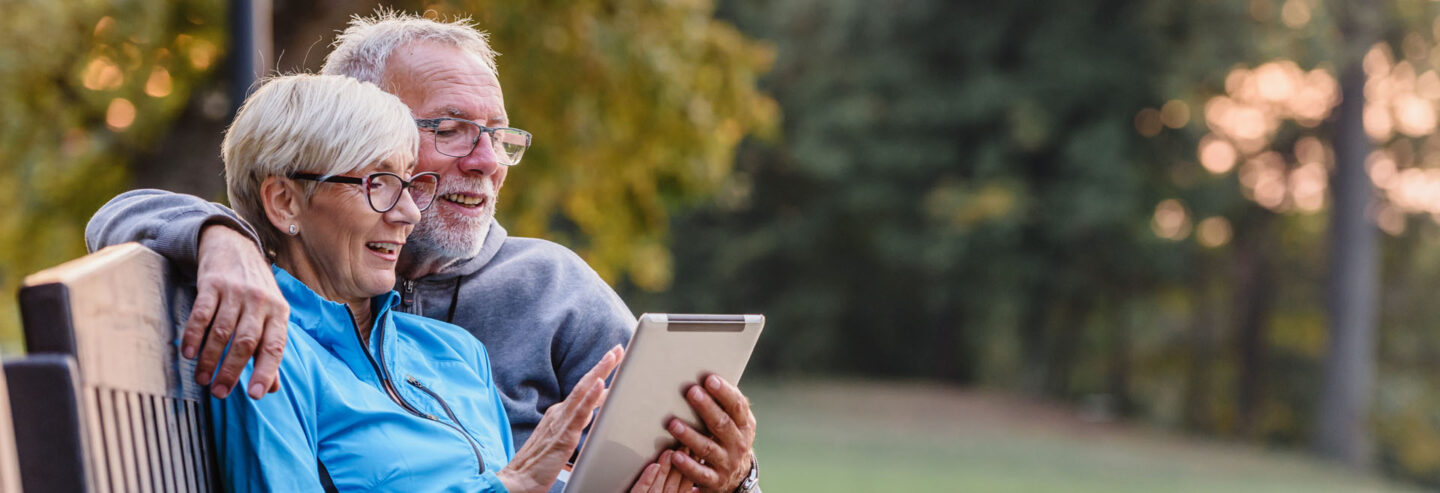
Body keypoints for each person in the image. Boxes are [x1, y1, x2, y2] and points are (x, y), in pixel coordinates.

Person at [86, 11, 760, 493]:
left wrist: (726, 476)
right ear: (351, 119)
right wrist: (221, 236)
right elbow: (121, 213)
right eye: (453, 129)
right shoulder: (268, 323)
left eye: (497, 135)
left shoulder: (521, 308)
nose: (487, 160)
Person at [204, 73, 688, 492]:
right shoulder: (266, 352)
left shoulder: (455, 353)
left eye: (411, 183)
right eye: (378, 183)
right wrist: (512, 487)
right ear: (285, 202)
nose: (409, 213)